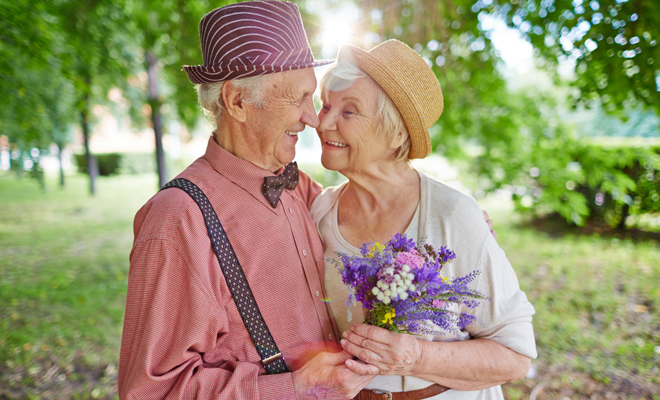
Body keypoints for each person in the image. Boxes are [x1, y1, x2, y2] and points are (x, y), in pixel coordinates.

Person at [118, 2, 381, 399]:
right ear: (238, 101)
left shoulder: (295, 185)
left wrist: (431, 211)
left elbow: (360, 212)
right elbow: (151, 392)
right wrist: (295, 386)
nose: (312, 119)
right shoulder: (177, 221)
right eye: (298, 99)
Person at [309, 40, 537, 400]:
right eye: (325, 106)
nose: (323, 122)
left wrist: (415, 356)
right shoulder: (320, 213)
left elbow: (515, 355)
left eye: (349, 112)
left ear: (396, 133)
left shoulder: (452, 215)